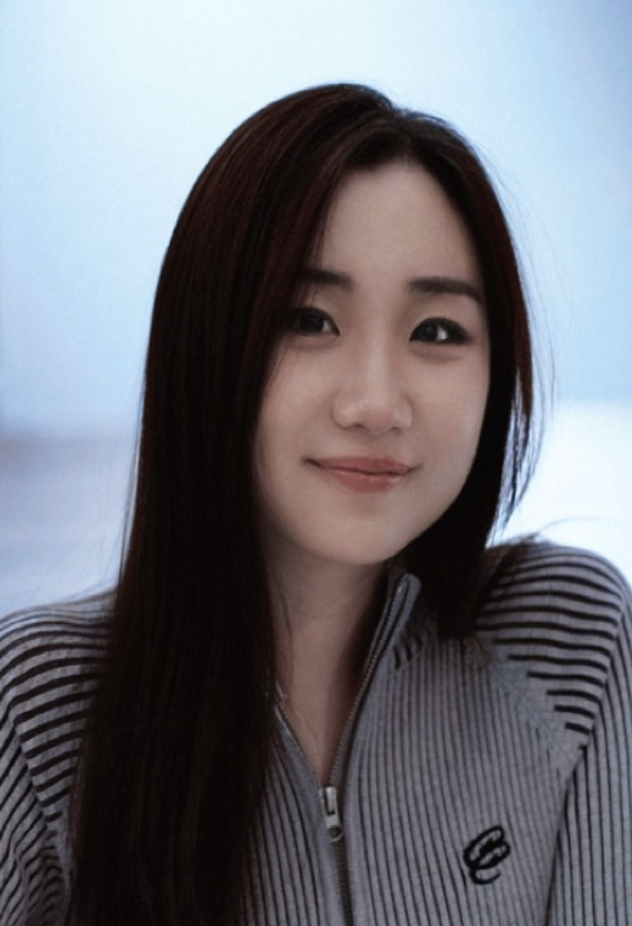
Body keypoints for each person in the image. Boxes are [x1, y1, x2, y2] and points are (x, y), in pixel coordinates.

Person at [0, 83, 630, 926]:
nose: (375, 404)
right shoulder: (35, 712)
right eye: (309, 319)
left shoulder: (567, 644)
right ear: (207, 342)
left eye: (437, 331)